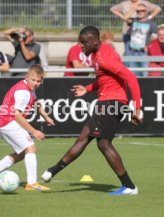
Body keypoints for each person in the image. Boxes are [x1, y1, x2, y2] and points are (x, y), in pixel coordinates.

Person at [41, 26, 143, 195]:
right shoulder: (98, 54)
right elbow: (105, 79)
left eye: (84, 42)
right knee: (84, 137)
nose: (81, 46)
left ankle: (129, 186)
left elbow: (130, 77)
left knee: (104, 143)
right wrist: (87, 89)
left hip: (111, 103)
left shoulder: (104, 58)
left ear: (95, 41)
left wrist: (137, 107)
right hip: (107, 101)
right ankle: (53, 171)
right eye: (80, 42)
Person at [0, 64, 54, 191]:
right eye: (33, 80)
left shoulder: (28, 87)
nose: (36, 83)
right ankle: (32, 183)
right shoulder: (23, 92)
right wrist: (34, 132)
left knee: (22, 153)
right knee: (31, 148)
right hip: (8, 121)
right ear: (27, 76)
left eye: (39, 81)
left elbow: (35, 103)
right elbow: (17, 115)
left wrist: (46, 116)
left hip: (5, 121)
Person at [125, 3, 158, 77]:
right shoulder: (134, 21)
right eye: (138, 11)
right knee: (133, 76)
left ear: (147, 11)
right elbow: (125, 18)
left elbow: (156, 37)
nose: (140, 12)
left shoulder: (151, 24)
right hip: (132, 52)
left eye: (143, 10)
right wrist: (133, 8)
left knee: (144, 75)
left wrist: (148, 46)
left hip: (144, 52)